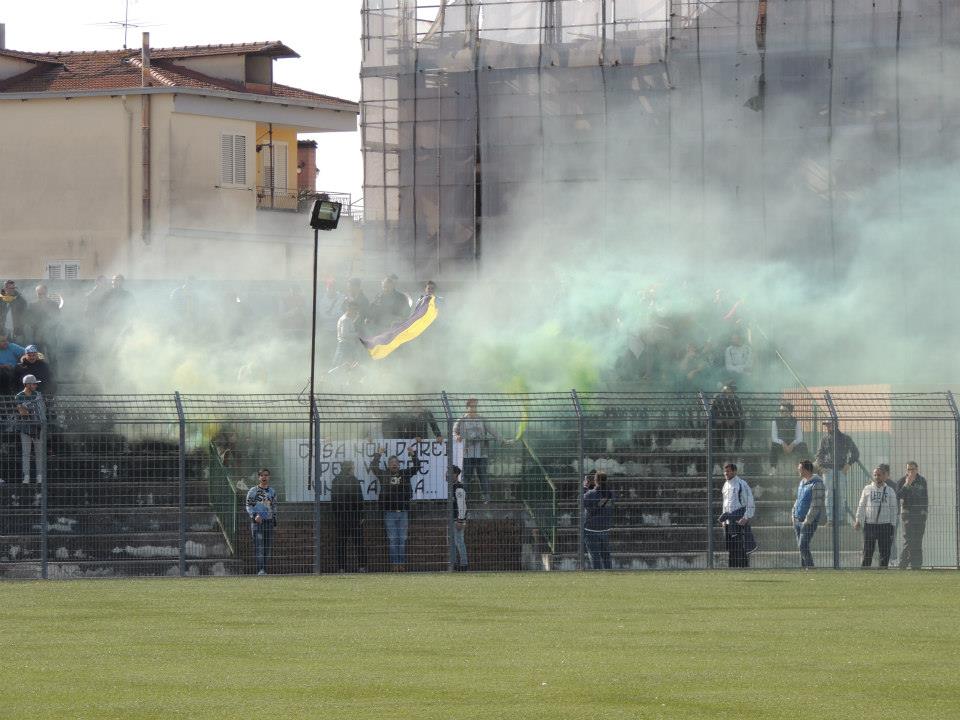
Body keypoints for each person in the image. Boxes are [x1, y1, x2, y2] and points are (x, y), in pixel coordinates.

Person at [369, 443, 421, 571]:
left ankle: (401, 564)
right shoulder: (384, 474)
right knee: (392, 540)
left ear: (399, 464)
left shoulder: (405, 473)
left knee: (402, 539)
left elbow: (417, 466)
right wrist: (379, 454)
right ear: (388, 465)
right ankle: (394, 565)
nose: (394, 464)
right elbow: (373, 467)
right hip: (389, 513)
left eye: (396, 462)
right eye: (391, 462)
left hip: (403, 512)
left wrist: (412, 454)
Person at [453, 398, 505, 503]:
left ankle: (486, 497)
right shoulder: (462, 420)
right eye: (472, 406)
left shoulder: (482, 419)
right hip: (467, 453)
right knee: (466, 476)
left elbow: (492, 430)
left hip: (481, 453)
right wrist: (457, 436)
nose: (474, 408)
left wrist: (501, 440)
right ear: (467, 407)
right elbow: (454, 431)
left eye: (475, 406)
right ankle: (464, 497)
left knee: (483, 475)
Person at [814, 420, 860, 523]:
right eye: (826, 425)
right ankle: (830, 519)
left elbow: (856, 453)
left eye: (829, 425)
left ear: (835, 425)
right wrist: (821, 468)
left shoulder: (845, 438)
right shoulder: (825, 439)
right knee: (829, 495)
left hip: (840, 470)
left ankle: (841, 519)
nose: (827, 427)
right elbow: (818, 455)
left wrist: (848, 465)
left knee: (840, 494)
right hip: (828, 470)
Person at [854, 466, 898, 568]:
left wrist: (893, 525)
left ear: (884, 476)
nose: (877, 477)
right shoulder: (867, 489)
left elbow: (893, 509)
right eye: (875, 475)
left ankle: (882, 572)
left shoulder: (890, 491)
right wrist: (858, 520)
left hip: (885, 525)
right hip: (870, 525)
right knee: (867, 551)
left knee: (884, 552)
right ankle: (865, 571)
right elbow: (861, 505)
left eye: (879, 475)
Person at [331, 461, 368, 573]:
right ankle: (362, 566)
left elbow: (334, 501)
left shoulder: (336, 481)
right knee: (359, 542)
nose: (353, 470)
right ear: (349, 468)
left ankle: (341, 568)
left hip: (341, 517)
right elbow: (360, 499)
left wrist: (337, 516)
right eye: (352, 468)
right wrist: (361, 515)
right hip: (354, 517)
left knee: (341, 543)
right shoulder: (354, 480)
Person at [718, 463, 755, 568]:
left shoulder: (741, 484)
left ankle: (743, 568)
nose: (726, 473)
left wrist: (746, 517)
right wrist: (724, 521)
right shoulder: (725, 485)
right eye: (725, 471)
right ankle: (733, 568)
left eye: (728, 471)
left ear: (734, 471)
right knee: (730, 547)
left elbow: (750, 501)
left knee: (740, 546)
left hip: (739, 520)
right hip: (729, 522)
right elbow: (725, 504)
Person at [792, 460, 826, 568]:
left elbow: (816, 504)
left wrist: (808, 520)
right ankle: (804, 570)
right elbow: (798, 499)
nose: (798, 470)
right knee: (801, 546)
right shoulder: (802, 482)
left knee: (803, 545)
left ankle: (811, 568)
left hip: (808, 521)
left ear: (806, 470)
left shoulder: (817, 483)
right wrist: (793, 513)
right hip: (797, 519)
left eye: (800, 468)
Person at [245, 468, 279, 575]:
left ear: (269, 477)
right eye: (262, 475)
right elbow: (248, 506)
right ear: (259, 477)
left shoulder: (272, 491)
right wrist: (254, 515)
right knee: (259, 547)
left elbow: (274, 506)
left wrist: (274, 518)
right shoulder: (253, 491)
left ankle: (265, 569)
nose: (264, 477)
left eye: (266, 475)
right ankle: (261, 570)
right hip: (257, 523)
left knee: (267, 548)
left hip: (268, 522)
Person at [896, 461, 928, 570]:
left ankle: (916, 565)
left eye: (912, 469)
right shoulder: (902, 480)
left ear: (917, 469)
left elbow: (925, 497)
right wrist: (907, 484)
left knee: (918, 540)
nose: (910, 472)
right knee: (909, 540)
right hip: (907, 514)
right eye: (908, 469)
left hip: (919, 514)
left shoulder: (922, 480)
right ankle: (903, 565)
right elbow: (898, 495)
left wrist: (925, 512)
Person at [15, 374, 46, 485]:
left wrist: (28, 407)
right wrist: (31, 408)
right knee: (26, 453)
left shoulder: (38, 395)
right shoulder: (19, 396)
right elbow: (23, 412)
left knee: (39, 453)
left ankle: (40, 476)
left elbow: (41, 411)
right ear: (27, 385)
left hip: (38, 427)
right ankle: (26, 477)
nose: (36, 385)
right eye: (34, 384)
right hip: (25, 427)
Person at [583, 471, 615, 569]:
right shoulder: (610, 494)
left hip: (591, 528)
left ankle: (598, 574)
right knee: (606, 555)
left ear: (595, 481)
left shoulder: (589, 494)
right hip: (605, 527)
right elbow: (601, 502)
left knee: (594, 555)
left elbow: (582, 503)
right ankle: (609, 574)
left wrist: (585, 488)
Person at [769, 402, 809, 475]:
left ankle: (803, 469)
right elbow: (774, 437)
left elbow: (800, 437)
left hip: (792, 445)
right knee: (773, 445)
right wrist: (782, 443)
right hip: (780, 445)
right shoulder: (775, 420)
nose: (781, 412)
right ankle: (773, 468)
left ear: (789, 412)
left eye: (783, 411)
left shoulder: (796, 421)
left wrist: (793, 444)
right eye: (780, 411)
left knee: (803, 445)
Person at [710, 384, 744, 460]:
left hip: (733, 420)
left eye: (731, 390)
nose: (729, 392)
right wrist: (719, 419)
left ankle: (737, 447)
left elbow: (740, 412)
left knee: (742, 424)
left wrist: (734, 419)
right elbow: (712, 410)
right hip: (721, 420)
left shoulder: (736, 399)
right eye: (728, 389)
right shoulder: (717, 398)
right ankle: (721, 448)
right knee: (719, 427)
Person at [449, 465, 468, 570]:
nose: (447, 474)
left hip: (457, 519)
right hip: (453, 519)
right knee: (453, 542)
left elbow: (462, 505)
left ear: (455, 474)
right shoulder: (452, 486)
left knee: (459, 542)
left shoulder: (458, 487)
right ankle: (454, 564)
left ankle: (464, 565)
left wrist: (460, 520)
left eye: (449, 472)